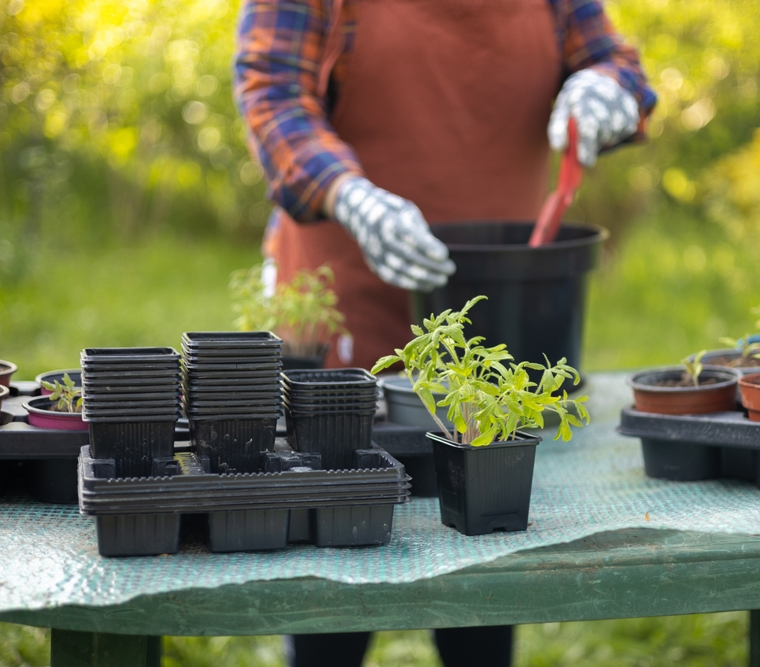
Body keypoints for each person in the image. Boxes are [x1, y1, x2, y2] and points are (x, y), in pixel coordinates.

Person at [234, 0, 655, 663]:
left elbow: (613, 60)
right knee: (330, 587)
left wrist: (611, 89)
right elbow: (272, 93)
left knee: (483, 576)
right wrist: (349, 193)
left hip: (491, 325)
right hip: (343, 308)